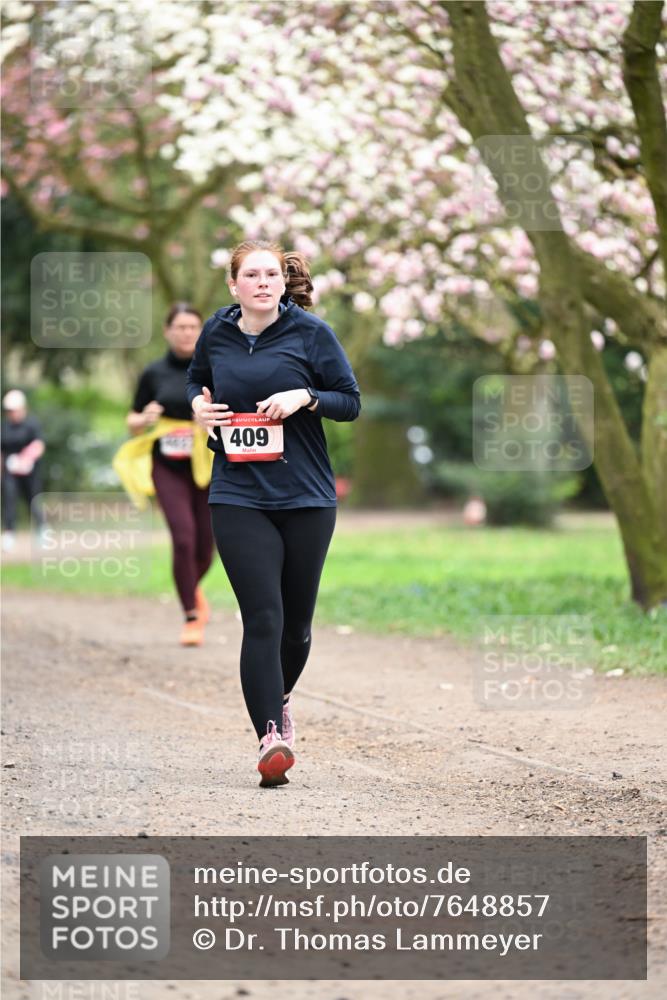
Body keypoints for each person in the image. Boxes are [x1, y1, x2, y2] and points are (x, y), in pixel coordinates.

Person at [186, 240, 361, 788]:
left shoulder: (311, 333)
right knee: (263, 617)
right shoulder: (216, 332)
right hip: (238, 493)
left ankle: (279, 697)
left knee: (297, 627)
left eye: (271, 274)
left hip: (307, 497)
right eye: (251, 275)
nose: (263, 282)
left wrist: (305, 397)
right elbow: (196, 378)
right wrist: (198, 405)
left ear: (283, 284)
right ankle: (271, 737)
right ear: (233, 285)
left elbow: (350, 401)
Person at [122, 304, 215, 647]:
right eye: (180, 327)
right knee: (183, 538)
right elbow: (131, 421)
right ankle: (191, 615)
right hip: (167, 466)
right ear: (167, 331)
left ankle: (192, 589)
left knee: (207, 545)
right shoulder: (153, 373)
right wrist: (145, 417)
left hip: (206, 464)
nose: (186, 333)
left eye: (193, 327)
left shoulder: (213, 367)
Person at [1, 389, 45, 551]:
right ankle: (9, 533)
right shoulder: (4, 427)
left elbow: (39, 445)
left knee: (33, 501)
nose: (12, 413)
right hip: (10, 473)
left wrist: (25, 459)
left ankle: (41, 530)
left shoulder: (32, 424)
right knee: (9, 500)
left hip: (30, 472)